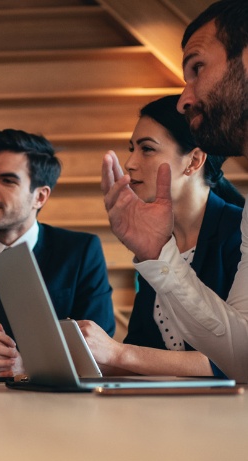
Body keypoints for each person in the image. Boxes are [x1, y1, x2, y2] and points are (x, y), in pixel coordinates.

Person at [101, 0, 248, 381]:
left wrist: (120, 355)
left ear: (195, 160)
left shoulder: (233, 225)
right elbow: (244, 355)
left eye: (197, 67)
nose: (185, 98)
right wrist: (157, 255)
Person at [0, 129, 115, 377]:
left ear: (40, 196)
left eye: (7, 180)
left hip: (55, 408)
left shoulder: (80, 252)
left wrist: (27, 366)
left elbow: (100, 352)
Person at [80, 95, 242, 377]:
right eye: (132, 148)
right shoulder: (157, 240)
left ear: (194, 161)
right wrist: (37, 364)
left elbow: (237, 355)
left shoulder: (239, 233)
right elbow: (143, 349)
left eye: (147, 149)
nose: (129, 163)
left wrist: (119, 353)